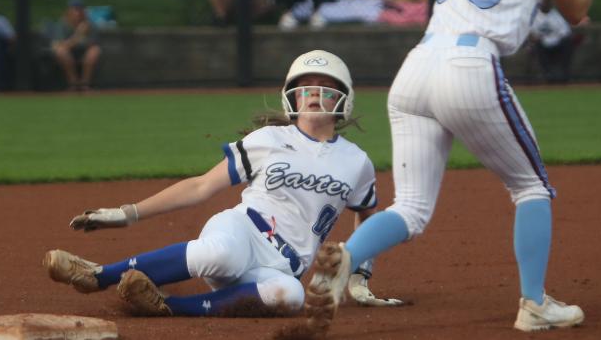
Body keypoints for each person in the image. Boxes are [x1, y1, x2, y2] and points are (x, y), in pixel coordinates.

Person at [302, 0, 601, 335]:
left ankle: (344, 262)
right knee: (532, 188)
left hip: (416, 69)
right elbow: (575, 9)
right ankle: (534, 303)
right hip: (468, 66)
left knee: (411, 209)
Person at [43, 50, 400, 318]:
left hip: (279, 267)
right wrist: (128, 213)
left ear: (344, 100)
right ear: (290, 97)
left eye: (325, 87)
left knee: (291, 297)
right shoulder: (270, 139)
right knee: (221, 254)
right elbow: (201, 186)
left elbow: (368, 214)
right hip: (241, 232)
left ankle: (165, 305)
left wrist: (360, 275)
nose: (314, 93)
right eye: (305, 87)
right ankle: (98, 274)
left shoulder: (356, 162)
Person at [51, 0, 102, 91]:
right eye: (75, 9)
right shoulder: (62, 24)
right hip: (68, 52)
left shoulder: (90, 24)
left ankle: (85, 84)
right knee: (61, 51)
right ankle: (73, 84)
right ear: (69, 11)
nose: (78, 13)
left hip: (84, 51)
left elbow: (93, 44)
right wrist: (79, 34)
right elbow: (61, 45)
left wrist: (81, 40)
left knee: (95, 51)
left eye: (80, 9)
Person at [529, 0, 576, 83]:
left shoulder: (557, 16)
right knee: (536, 46)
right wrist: (536, 37)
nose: (546, 5)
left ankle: (564, 74)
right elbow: (532, 33)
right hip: (542, 44)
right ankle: (547, 75)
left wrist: (557, 38)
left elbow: (565, 32)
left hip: (557, 43)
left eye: (548, 3)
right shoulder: (535, 16)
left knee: (567, 43)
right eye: (544, 3)